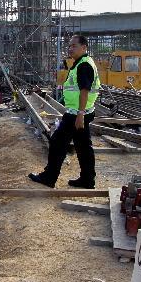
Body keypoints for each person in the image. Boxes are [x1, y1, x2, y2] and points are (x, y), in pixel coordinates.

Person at [29, 35, 98, 188]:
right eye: (69, 46)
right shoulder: (82, 62)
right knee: (83, 146)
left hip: (77, 114)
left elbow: (84, 91)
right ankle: (87, 179)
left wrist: (80, 114)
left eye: (74, 46)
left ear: (84, 47)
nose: (70, 48)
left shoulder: (83, 65)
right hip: (82, 112)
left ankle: (49, 177)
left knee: (57, 143)